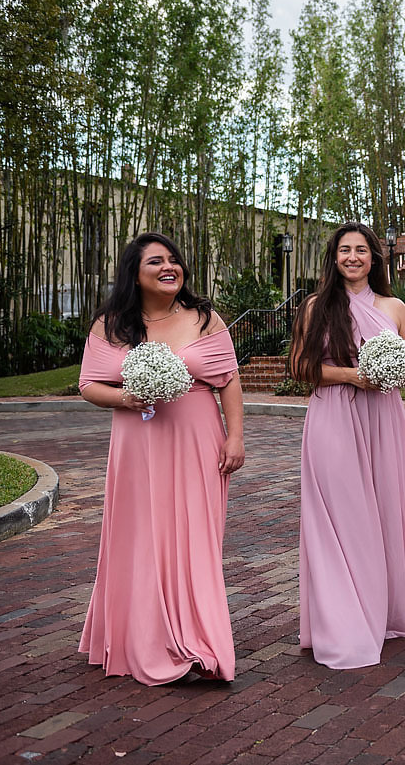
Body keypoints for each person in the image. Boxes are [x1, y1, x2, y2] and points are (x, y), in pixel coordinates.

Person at [77, 232, 244, 685]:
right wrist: (125, 398)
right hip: (137, 442)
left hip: (195, 438)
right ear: (135, 272)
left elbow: (228, 379)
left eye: (174, 260)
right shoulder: (110, 324)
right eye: (156, 261)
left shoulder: (204, 318)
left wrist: (236, 437)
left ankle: (198, 643)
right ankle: (143, 638)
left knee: (194, 536)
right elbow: (89, 385)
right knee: (139, 536)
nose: (169, 267)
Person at [290, 222, 405, 669]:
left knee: (383, 511)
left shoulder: (395, 307)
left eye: (361, 250)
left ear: (374, 258)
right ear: (333, 258)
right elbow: (300, 367)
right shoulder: (316, 306)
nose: (352, 257)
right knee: (343, 515)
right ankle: (343, 621)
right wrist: (355, 374)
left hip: (383, 418)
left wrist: (390, 370)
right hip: (333, 414)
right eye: (344, 250)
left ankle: (387, 610)